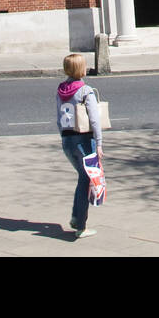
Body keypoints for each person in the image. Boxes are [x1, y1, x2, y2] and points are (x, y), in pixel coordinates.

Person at [56, 52, 103, 238]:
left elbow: (58, 119)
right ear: (80, 69)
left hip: (67, 140)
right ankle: (79, 222)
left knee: (84, 177)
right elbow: (95, 120)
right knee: (86, 179)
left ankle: (79, 218)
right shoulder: (86, 91)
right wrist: (99, 143)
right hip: (84, 140)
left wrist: (64, 137)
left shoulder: (60, 90)